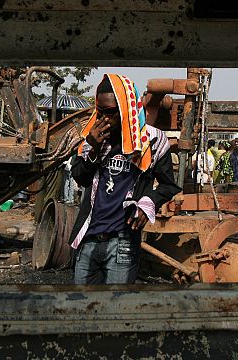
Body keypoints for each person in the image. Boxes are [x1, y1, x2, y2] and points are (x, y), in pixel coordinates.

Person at [68, 74, 181, 285]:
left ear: (127, 110)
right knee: (82, 306)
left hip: (123, 241)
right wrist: (93, 148)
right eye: (100, 112)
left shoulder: (152, 141)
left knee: (116, 307)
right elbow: (80, 178)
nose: (104, 119)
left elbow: (168, 185)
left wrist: (147, 205)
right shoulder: (91, 138)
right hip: (88, 239)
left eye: (111, 113)